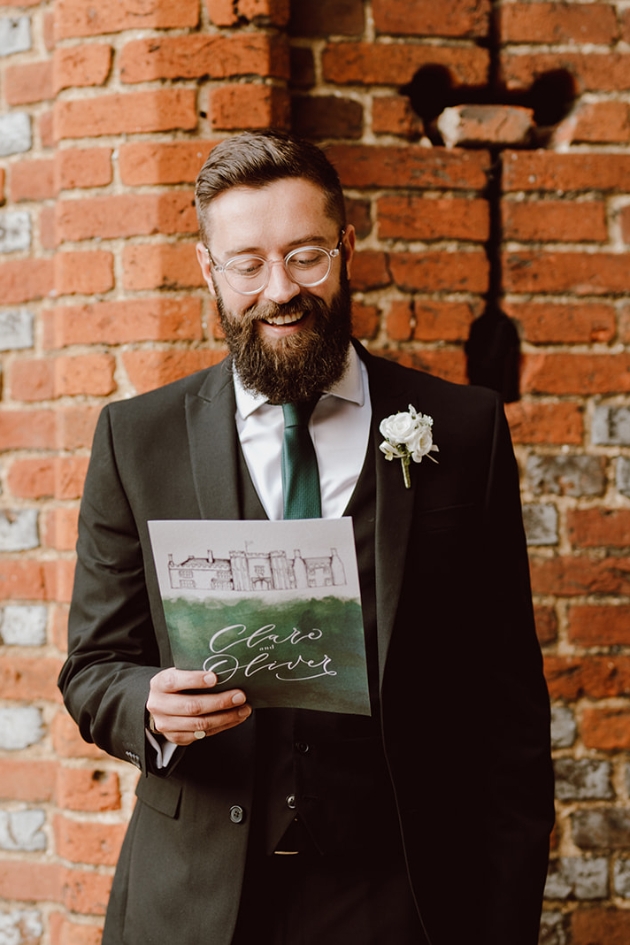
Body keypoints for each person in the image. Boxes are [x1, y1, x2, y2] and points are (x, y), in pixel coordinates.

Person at [58, 130, 554, 945]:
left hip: (402, 894)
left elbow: (508, 714)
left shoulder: (464, 432)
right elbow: (93, 666)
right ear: (208, 270)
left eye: (306, 255)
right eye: (248, 263)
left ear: (347, 247)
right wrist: (145, 703)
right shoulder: (134, 438)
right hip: (198, 899)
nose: (280, 289)